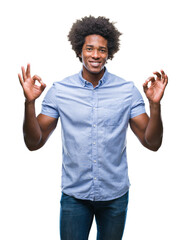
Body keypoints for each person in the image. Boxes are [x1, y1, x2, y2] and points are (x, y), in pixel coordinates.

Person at [18, 16, 168, 240]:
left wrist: (154, 105)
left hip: (115, 196)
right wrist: (30, 103)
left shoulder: (127, 91)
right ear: (79, 51)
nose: (95, 55)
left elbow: (152, 143)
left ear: (109, 53)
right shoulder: (60, 91)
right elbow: (33, 143)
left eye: (102, 50)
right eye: (89, 49)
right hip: (74, 196)